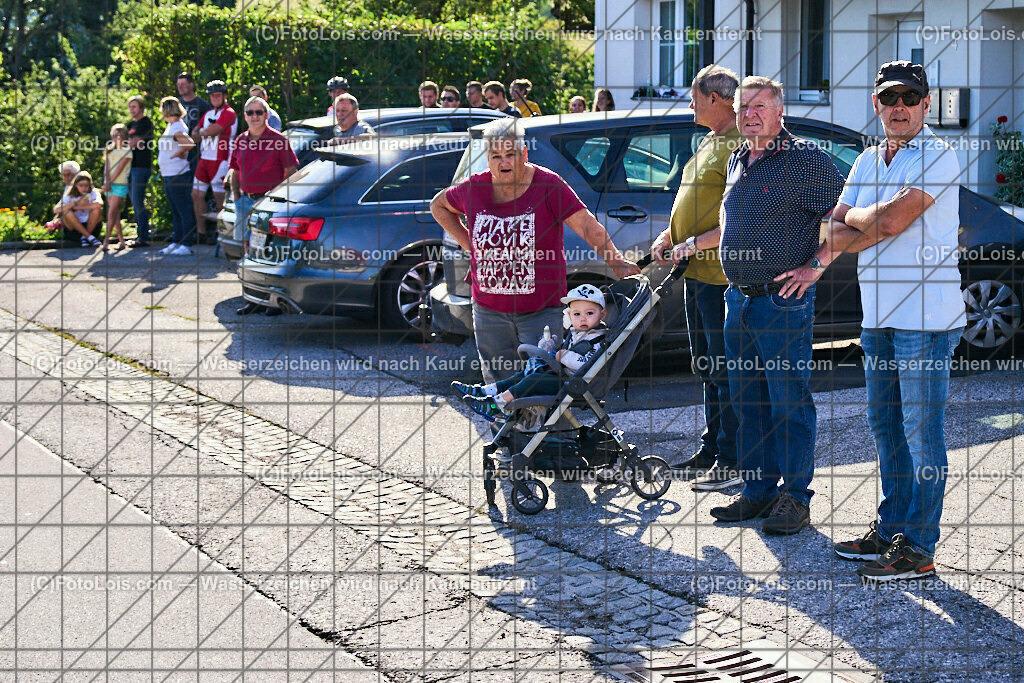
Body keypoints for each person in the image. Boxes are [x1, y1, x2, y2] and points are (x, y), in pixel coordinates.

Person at [784, 62, 964, 582]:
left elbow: (879, 222)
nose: (900, 107)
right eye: (891, 98)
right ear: (876, 104)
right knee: (886, 429)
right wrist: (869, 223)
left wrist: (867, 219)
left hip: (926, 319)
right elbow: (832, 226)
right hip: (878, 314)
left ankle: (919, 546)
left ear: (927, 105)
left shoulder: (938, 154)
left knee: (920, 433)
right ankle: (891, 530)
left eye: (911, 98)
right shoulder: (866, 159)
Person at [709, 75, 844, 535]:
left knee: (789, 402)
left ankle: (795, 498)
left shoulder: (806, 160)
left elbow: (845, 217)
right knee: (749, 402)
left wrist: (817, 265)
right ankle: (758, 491)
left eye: (759, 106)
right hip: (738, 301)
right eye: (743, 107)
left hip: (782, 303)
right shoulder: (737, 158)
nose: (749, 115)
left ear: (779, 110)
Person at [430, 118, 638, 384]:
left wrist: (617, 262)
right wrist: (470, 244)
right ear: (487, 158)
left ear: (524, 154)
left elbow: (587, 226)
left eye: (510, 155)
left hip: (541, 311)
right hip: (488, 309)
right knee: (499, 386)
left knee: (545, 383)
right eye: (496, 156)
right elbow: (439, 206)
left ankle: (550, 428)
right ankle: (506, 428)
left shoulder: (548, 185)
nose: (503, 163)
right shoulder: (474, 188)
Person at [649, 64, 744, 491]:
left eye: (694, 96)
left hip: (722, 276)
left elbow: (739, 219)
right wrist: (670, 233)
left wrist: (694, 243)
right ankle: (711, 449)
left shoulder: (741, 144)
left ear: (716, 98)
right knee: (706, 366)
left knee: (724, 370)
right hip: (696, 274)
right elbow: (695, 201)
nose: (689, 103)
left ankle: (731, 458)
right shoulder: (710, 140)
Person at [454, 284, 608, 421]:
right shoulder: (576, 333)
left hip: (574, 384)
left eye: (589, 313)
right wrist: (549, 349)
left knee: (534, 378)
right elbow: (563, 353)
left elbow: (589, 362)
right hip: (562, 376)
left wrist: (564, 356)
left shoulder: (599, 339)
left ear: (602, 315)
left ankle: (497, 405)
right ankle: (485, 391)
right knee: (522, 375)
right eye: (577, 314)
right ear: (569, 315)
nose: (583, 319)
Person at [226, 96, 299, 315]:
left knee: (271, 252)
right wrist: (237, 197)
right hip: (246, 201)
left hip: (270, 205)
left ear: (266, 115)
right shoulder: (240, 140)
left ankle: (274, 302)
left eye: (259, 112)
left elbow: (291, 174)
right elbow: (235, 171)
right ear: (245, 116)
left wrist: (280, 202)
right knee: (249, 252)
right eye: (250, 113)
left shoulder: (278, 140)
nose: (255, 116)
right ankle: (252, 299)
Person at [191, 80, 236, 244]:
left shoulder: (229, 112)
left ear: (224, 96)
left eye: (218, 95)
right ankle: (201, 232)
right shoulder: (208, 113)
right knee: (196, 195)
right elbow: (195, 133)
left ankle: (220, 233)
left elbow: (214, 130)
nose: (215, 98)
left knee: (220, 199)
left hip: (221, 159)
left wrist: (203, 132)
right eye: (212, 95)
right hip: (205, 159)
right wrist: (205, 132)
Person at [156, 96, 197, 256]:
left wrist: (178, 154)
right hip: (170, 174)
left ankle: (186, 244)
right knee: (176, 210)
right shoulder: (172, 126)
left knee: (183, 209)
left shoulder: (177, 127)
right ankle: (176, 242)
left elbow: (189, 143)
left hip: (177, 174)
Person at [125, 95, 154, 247]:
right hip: (129, 167)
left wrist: (124, 144)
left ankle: (144, 237)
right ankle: (140, 235)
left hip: (141, 167)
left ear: (141, 108)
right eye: (130, 107)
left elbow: (135, 143)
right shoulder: (129, 124)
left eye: (134, 106)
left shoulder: (145, 123)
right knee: (134, 202)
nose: (131, 109)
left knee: (137, 201)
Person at [100, 124, 132, 251]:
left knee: (111, 212)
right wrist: (106, 181)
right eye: (114, 136)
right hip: (109, 185)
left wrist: (110, 182)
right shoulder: (109, 149)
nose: (116, 138)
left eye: (119, 135)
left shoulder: (127, 150)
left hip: (120, 184)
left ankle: (106, 241)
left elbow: (120, 169)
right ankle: (122, 240)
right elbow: (107, 167)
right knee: (115, 214)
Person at [176, 72, 211, 175]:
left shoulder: (203, 105)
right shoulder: (177, 104)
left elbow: (209, 128)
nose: (180, 87)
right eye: (178, 85)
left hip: (196, 152)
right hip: (178, 150)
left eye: (183, 84)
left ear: (191, 85)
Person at [59, 172, 103, 247]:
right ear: (76, 185)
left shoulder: (94, 193)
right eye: (81, 185)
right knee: (65, 211)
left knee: (97, 209)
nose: (84, 188)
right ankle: (88, 237)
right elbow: (56, 209)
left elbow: (99, 204)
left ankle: (85, 237)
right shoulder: (69, 196)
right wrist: (76, 203)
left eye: (86, 185)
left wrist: (79, 207)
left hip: (92, 228)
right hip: (73, 230)